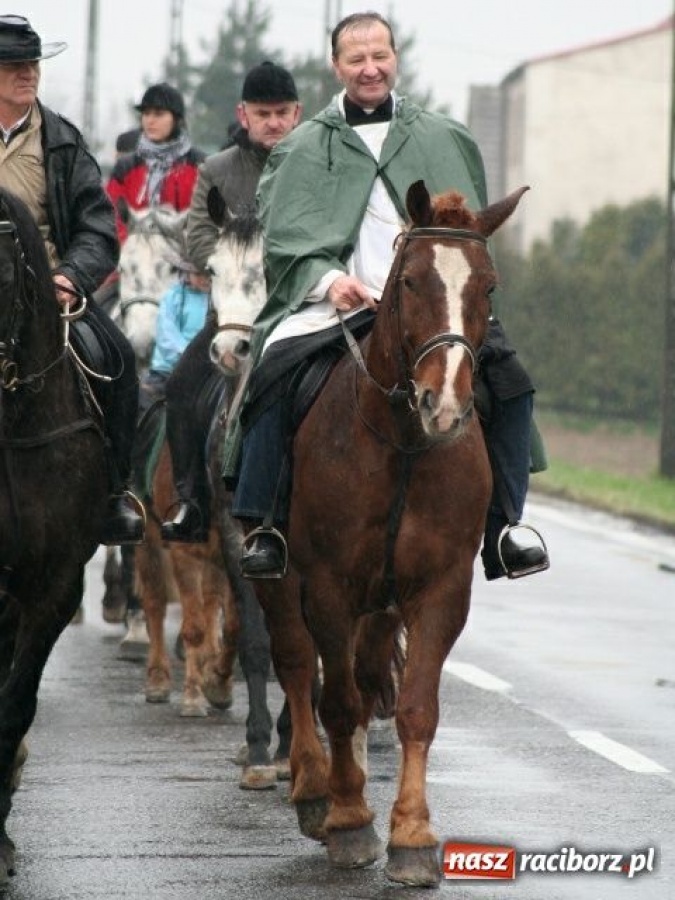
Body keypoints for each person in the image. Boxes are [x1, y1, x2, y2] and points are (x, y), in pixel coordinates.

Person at [229, 11, 549, 582]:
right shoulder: (300, 148)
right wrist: (331, 280)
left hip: (432, 310)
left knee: (513, 385)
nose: (370, 69)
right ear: (337, 66)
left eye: (380, 56)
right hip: (335, 307)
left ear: (395, 58)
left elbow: (470, 237)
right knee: (272, 371)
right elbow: (284, 241)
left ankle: (505, 528)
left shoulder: (445, 137)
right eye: (356, 59)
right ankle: (267, 524)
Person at [0, 14, 144, 545]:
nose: (28, 74)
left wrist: (70, 278)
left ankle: (114, 494)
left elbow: (98, 227)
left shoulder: (62, 140)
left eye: (32, 63)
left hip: (47, 296)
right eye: (14, 65)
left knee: (121, 360)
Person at [159, 61, 301, 543]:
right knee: (179, 388)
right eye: (263, 113)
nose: (274, 123)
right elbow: (197, 235)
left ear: (298, 113)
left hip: (300, 311)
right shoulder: (216, 170)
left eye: (282, 112)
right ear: (244, 114)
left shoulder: (316, 166)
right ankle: (191, 502)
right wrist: (237, 254)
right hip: (231, 316)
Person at [106, 82, 205, 244]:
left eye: (158, 114)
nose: (150, 121)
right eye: (146, 113)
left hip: (186, 256)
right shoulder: (126, 166)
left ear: (176, 118)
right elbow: (112, 216)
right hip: (133, 255)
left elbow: (206, 220)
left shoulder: (199, 165)